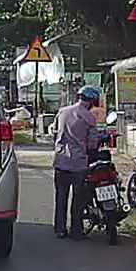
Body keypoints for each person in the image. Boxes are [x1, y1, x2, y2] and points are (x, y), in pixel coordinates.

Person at [52, 85, 101, 239]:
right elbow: (92, 143)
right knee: (78, 199)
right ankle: (76, 230)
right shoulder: (89, 117)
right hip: (78, 163)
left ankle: (59, 229)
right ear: (92, 101)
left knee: (61, 197)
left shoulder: (62, 112)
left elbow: (54, 131)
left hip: (61, 161)